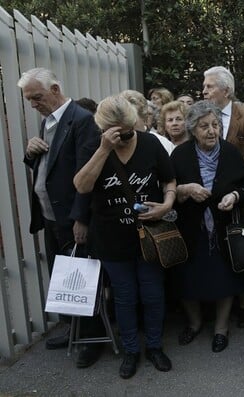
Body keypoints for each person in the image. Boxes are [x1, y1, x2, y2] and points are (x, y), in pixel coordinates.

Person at [73, 95, 176, 378]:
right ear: (103, 128)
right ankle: (131, 350)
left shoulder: (150, 143)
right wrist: (104, 149)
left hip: (149, 234)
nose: (124, 137)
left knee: (153, 293)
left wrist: (167, 204)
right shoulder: (95, 146)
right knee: (124, 296)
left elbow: (169, 179)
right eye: (117, 132)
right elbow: (81, 186)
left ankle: (154, 346)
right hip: (110, 236)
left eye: (128, 131)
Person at [18, 67, 104, 368]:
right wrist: (31, 153)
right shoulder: (49, 122)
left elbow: (86, 176)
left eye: (36, 97)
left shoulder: (81, 121)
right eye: (28, 99)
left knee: (81, 279)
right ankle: (75, 330)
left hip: (71, 217)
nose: (33, 104)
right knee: (63, 278)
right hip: (51, 215)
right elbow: (48, 166)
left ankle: (92, 338)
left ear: (55, 89)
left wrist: (81, 218)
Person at [169, 101, 244, 352]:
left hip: (223, 230)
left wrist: (234, 196)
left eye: (215, 125)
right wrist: (185, 189)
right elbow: (167, 189)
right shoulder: (180, 154)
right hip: (191, 230)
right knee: (188, 279)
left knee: (225, 278)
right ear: (193, 129)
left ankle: (221, 328)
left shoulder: (230, 152)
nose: (211, 131)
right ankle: (194, 324)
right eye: (204, 126)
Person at [202, 66, 244, 327]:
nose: (204, 91)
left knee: (242, 246)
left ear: (226, 90)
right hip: (206, 196)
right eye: (204, 87)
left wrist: (227, 174)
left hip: (237, 194)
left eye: (209, 86)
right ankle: (215, 302)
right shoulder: (200, 115)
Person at [121, 90, 176, 155]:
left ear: (144, 117)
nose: (128, 123)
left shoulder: (162, 143)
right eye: (123, 119)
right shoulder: (112, 143)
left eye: (132, 118)